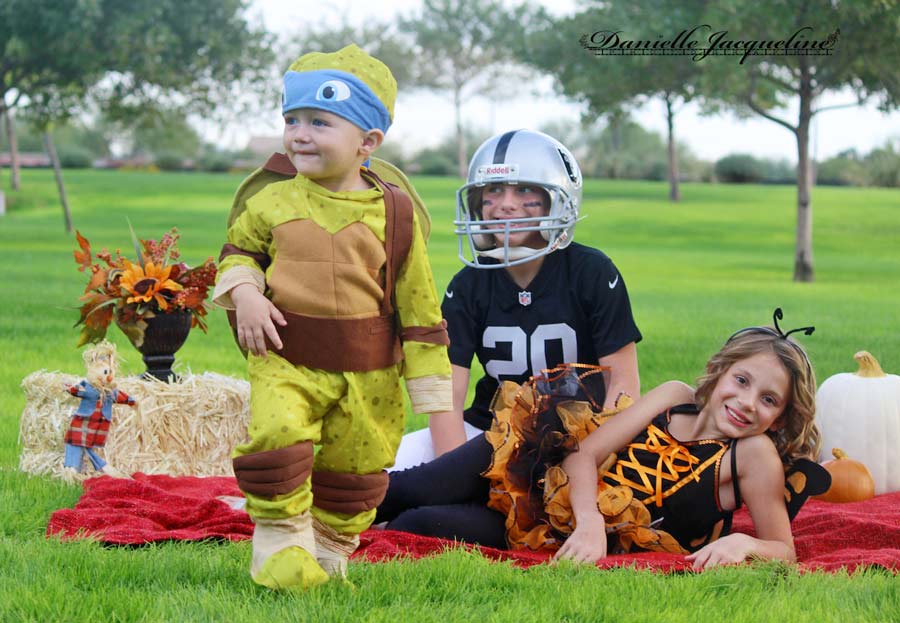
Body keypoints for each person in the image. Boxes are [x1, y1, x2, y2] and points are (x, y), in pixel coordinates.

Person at [213, 44, 452, 590]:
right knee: (277, 436)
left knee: (358, 468)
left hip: (369, 370)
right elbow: (238, 254)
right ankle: (278, 546)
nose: (299, 134)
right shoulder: (271, 202)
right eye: (291, 120)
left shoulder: (395, 214)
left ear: (368, 142)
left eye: (319, 122)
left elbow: (418, 303)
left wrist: (431, 390)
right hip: (286, 356)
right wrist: (247, 295)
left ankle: (326, 552)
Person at [376, 309, 826, 570]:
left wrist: (744, 543)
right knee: (408, 489)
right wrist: (591, 521)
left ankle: (344, 534)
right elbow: (585, 453)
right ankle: (312, 508)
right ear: (721, 370)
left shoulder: (752, 455)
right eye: (742, 380)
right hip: (538, 461)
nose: (747, 402)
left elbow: (783, 549)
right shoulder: (676, 397)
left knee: (417, 524)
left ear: (783, 414)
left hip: (549, 528)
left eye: (769, 400)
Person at [391, 129, 642, 470]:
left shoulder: (592, 272)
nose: (506, 203)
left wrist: (595, 461)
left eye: (524, 189)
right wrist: (453, 476)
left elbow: (623, 386)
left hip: (582, 435)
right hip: (489, 429)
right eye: (493, 190)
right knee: (381, 472)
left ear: (560, 198)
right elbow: (447, 400)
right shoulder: (468, 284)